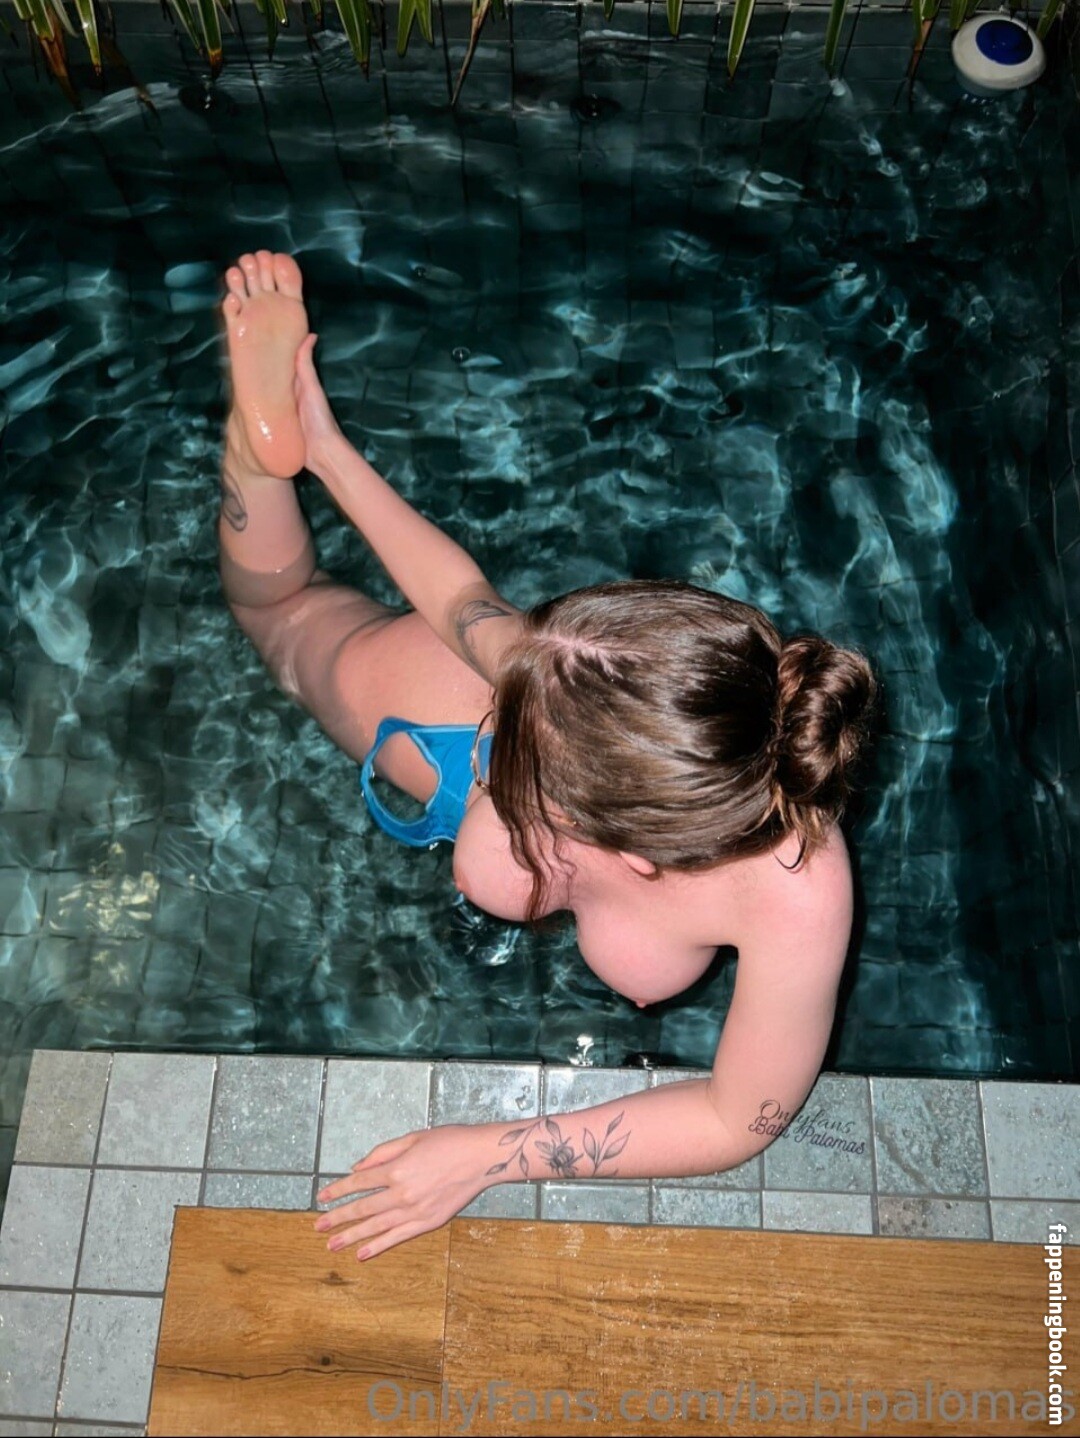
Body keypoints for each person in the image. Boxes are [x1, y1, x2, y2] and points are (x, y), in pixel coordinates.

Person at [219, 250, 877, 1262]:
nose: (504, 699)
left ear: (631, 844)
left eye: (518, 757)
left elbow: (737, 1117)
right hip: (451, 733)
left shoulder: (799, 893)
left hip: (451, 752)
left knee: (296, 622)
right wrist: (319, 449)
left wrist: (485, 1156)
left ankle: (258, 466)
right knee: (284, 617)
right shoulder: (572, 684)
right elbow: (464, 604)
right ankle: (255, 451)